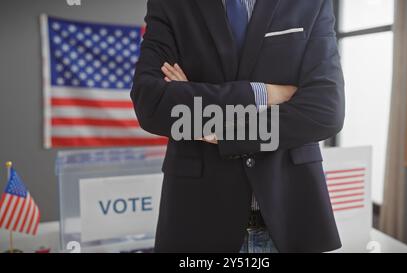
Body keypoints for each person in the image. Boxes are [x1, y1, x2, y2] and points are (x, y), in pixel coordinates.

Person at [131, 0, 345, 253]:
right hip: (198, 220)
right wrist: (263, 94)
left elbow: (326, 111)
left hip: (291, 217)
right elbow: (152, 104)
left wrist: (224, 132)